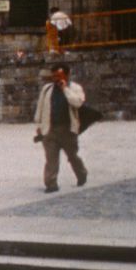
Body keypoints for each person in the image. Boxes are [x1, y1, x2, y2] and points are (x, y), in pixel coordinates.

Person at [33, 63, 88, 192]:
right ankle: (51, 184)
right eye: (54, 76)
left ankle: (81, 174)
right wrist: (39, 125)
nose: (56, 79)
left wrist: (65, 89)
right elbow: (40, 108)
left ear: (67, 75)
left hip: (68, 130)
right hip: (50, 129)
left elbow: (78, 103)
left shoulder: (75, 88)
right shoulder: (47, 89)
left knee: (72, 156)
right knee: (51, 159)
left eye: (59, 76)